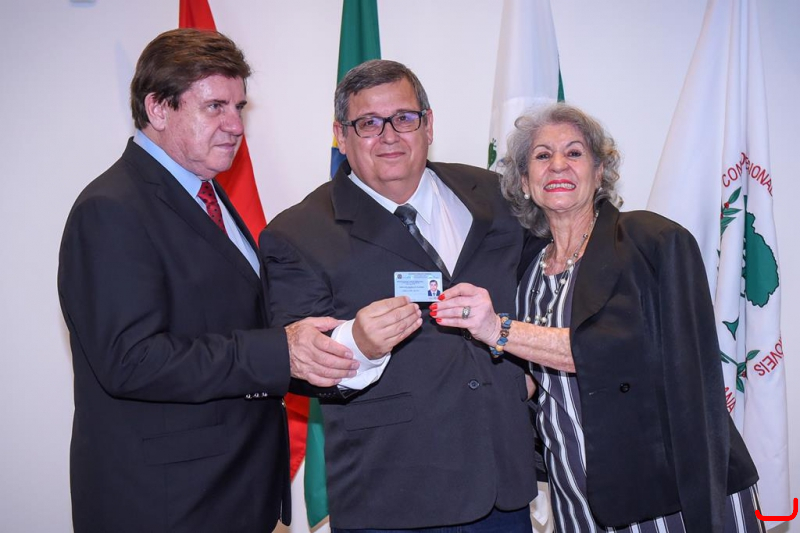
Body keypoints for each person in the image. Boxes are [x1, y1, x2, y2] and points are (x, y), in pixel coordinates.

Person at [57, 29, 360, 533]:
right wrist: (280, 351)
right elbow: (130, 361)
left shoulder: (206, 194)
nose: (235, 125)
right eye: (215, 107)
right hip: (164, 505)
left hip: (235, 493)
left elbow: (230, 322)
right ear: (158, 109)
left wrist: (328, 350)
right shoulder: (110, 209)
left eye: (238, 107)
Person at [433, 103, 763, 533]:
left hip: (667, 492)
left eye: (574, 153)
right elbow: (534, 379)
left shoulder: (647, 241)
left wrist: (499, 329)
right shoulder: (526, 270)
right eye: (542, 155)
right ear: (525, 182)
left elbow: (620, 355)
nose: (558, 165)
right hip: (574, 494)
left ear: (599, 171)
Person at [259, 59, 538, 531]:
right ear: (340, 135)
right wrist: (358, 345)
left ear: (428, 124)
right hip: (393, 496)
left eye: (404, 118)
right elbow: (296, 367)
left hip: (504, 485)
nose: (389, 136)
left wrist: (530, 371)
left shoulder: (496, 194)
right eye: (368, 123)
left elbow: (543, 287)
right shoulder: (297, 233)